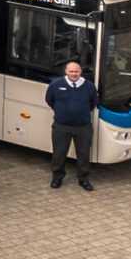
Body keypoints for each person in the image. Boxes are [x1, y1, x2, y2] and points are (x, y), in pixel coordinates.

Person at [45, 60, 98, 191]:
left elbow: (93, 103)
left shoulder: (90, 86)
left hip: (83, 127)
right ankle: (57, 178)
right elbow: (49, 100)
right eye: (71, 71)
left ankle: (84, 179)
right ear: (66, 72)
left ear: (80, 72)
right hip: (61, 126)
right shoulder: (56, 84)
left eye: (76, 71)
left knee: (84, 155)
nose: (74, 74)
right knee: (59, 154)